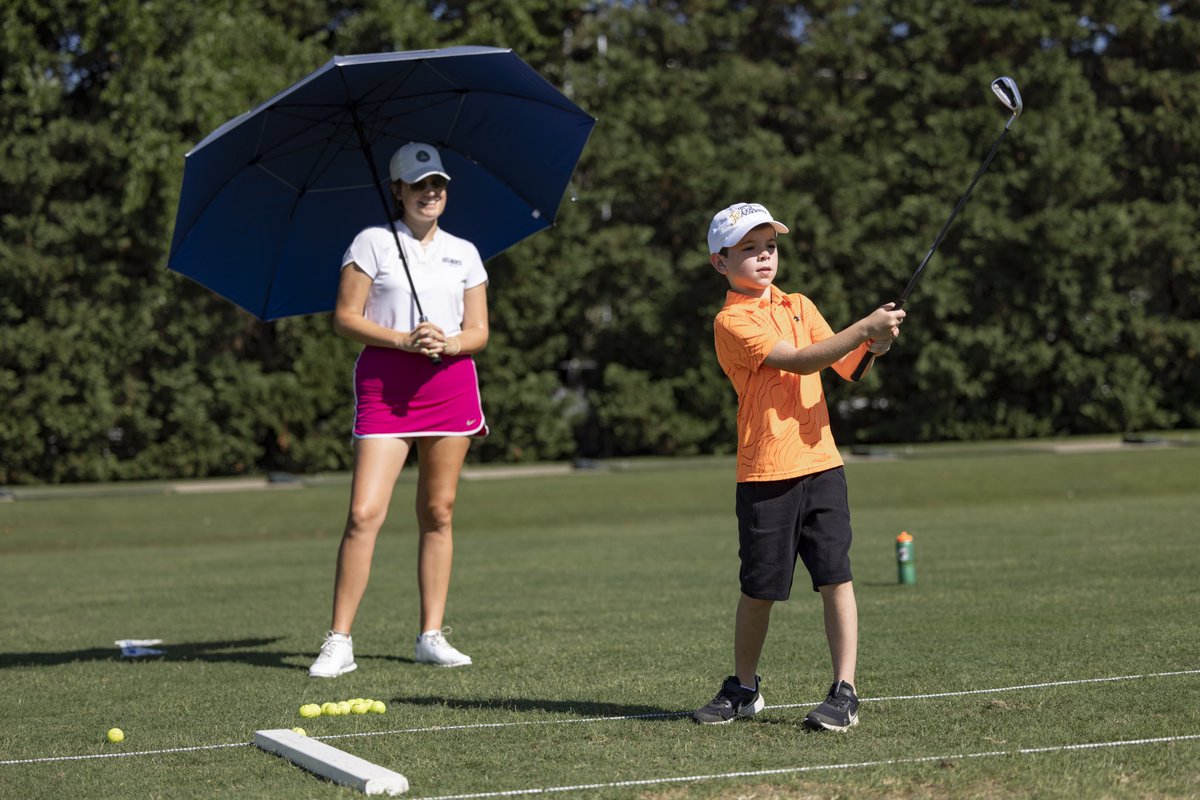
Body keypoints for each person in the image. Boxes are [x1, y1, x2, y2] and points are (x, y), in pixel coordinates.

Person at [691, 202, 905, 729]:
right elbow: (801, 359)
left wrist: (877, 342)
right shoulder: (732, 320)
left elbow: (848, 364)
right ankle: (743, 688)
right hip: (766, 470)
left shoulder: (799, 304)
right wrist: (863, 327)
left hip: (821, 463)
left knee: (836, 576)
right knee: (759, 588)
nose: (764, 257)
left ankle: (844, 691)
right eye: (748, 249)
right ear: (721, 262)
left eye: (769, 246)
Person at [308, 142, 489, 677]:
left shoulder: (465, 252)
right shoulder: (372, 243)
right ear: (398, 191)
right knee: (364, 513)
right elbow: (345, 318)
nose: (431, 192)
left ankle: (430, 635)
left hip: (449, 386)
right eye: (419, 185)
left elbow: (478, 331)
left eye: (438, 184)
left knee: (438, 512)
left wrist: (449, 343)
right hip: (386, 388)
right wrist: (402, 340)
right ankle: (339, 641)